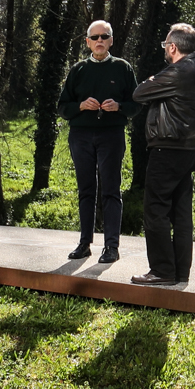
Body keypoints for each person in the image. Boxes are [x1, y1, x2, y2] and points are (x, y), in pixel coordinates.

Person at [131, 23, 195, 286]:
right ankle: (180, 272)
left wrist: (155, 79)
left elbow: (139, 92)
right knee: (181, 212)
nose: (165, 50)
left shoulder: (179, 70)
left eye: (166, 45)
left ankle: (162, 271)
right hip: (189, 149)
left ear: (173, 46)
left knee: (155, 209)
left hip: (167, 148)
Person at [57, 20, 138, 264]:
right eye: (95, 37)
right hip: (81, 136)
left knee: (111, 190)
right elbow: (63, 107)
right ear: (88, 42)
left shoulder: (123, 68)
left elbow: (136, 105)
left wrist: (119, 107)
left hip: (111, 135)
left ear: (112, 40)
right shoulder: (78, 70)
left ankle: (111, 246)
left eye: (105, 36)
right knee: (86, 190)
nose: (100, 41)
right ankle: (85, 243)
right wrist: (80, 105)